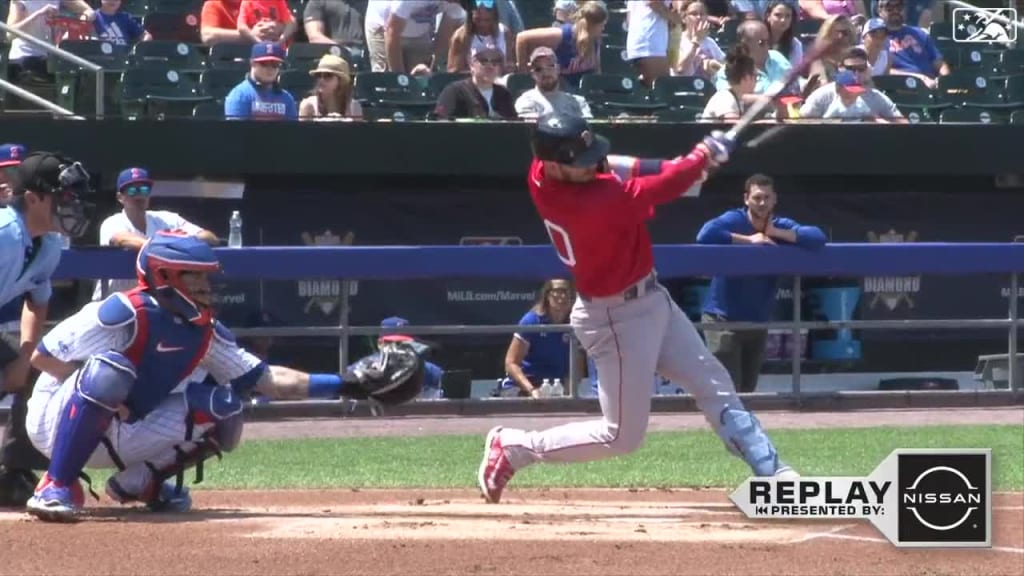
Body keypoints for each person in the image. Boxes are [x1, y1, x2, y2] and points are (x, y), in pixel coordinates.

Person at [476, 113, 799, 504]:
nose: (591, 164)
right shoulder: (594, 203)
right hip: (614, 318)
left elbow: (615, 165)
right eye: (580, 162)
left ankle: (773, 471)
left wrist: (692, 162)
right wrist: (696, 162)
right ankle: (514, 448)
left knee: (712, 380)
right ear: (558, 164)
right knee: (621, 436)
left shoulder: (543, 167)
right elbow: (662, 187)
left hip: (651, 298)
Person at [23, 231, 427, 522]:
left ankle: (138, 482)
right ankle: (57, 484)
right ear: (163, 277)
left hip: (121, 428)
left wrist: (347, 383)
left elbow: (267, 380)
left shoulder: (206, 332)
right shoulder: (122, 312)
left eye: (205, 277)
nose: (204, 285)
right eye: (192, 276)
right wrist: (113, 395)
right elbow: (44, 358)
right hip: (53, 422)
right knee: (112, 370)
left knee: (227, 406)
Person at [0, 152, 92, 509]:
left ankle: (14, 472)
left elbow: (37, 302)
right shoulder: (4, 234)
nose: (71, 204)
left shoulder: (49, 243)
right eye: (62, 196)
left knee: (39, 368)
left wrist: (25, 356)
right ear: (33, 199)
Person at [696, 174, 827, 393]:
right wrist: (750, 240)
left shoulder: (780, 224)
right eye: (757, 198)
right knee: (729, 389)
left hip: (757, 321)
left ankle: (742, 427)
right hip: (722, 319)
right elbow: (705, 234)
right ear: (746, 199)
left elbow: (817, 238)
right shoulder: (735, 219)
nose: (762, 203)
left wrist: (775, 233)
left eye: (767, 197)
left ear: (774, 199)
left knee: (748, 390)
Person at [92, 167, 218, 301]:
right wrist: (172, 246)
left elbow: (209, 237)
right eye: (132, 190)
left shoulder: (166, 219)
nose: (139, 196)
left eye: (144, 190)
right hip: (112, 303)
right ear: (120, 197)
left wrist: (172, 243)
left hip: (151, 305)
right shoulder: (113, 222)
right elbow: (124, 240)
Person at [497, 278, 580, 398]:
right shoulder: (532, 321)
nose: (562, 296)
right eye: (557, 291)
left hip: (555, 389)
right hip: (523, 388)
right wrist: (532, 390)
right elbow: (511, 363)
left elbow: (578, 364)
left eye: (567, 292)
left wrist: (569, 388)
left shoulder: (575, 323)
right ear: (547, 295)